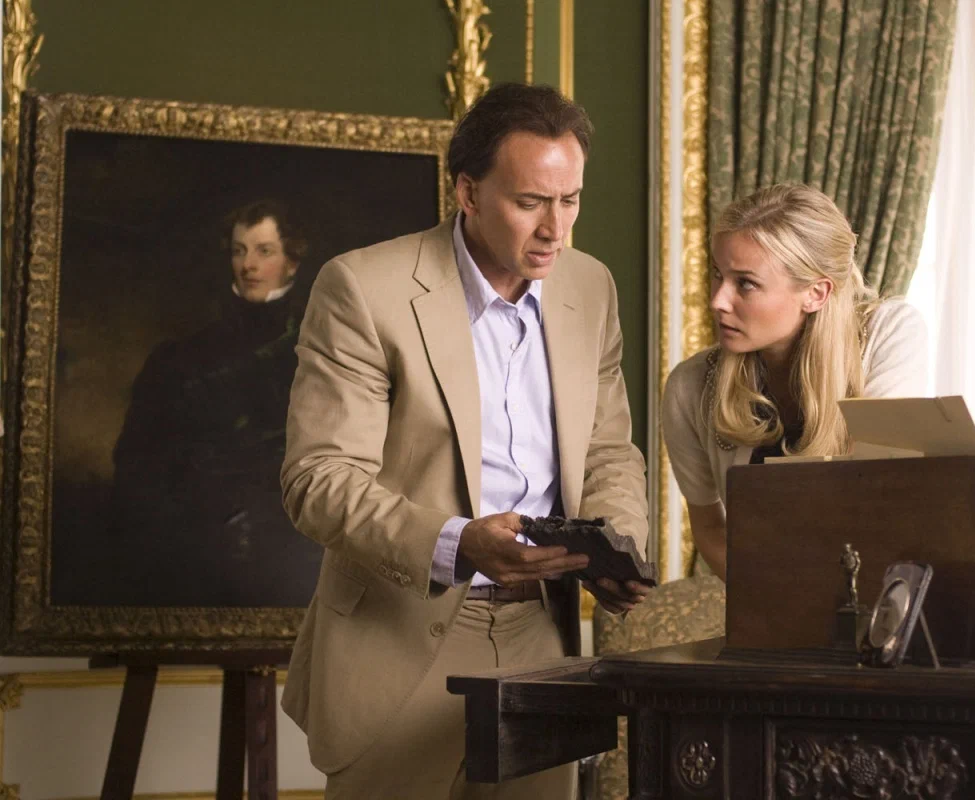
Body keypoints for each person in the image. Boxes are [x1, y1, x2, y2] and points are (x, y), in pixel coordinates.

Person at [279, 83, 651, 799]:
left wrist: (616, 547)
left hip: (542, 639)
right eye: (530, 202)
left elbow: (607, 450)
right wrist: (458, 545)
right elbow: (318, 480)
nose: (556, 229)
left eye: (570, 200)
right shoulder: (362, 288)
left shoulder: (591, 288)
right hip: (396, 641)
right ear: (468, 193)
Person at [662, 183, 928, 582]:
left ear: (816, 293)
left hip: (883, 591)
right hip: (773, 603)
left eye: (745, 283)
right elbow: (711, 529)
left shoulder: (888, 334)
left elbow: (877, 500)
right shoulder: (691, 386)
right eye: (718, 275)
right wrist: (780, 602)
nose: (718, 300)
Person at [109, 200, 320, 607]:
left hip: (290, 552)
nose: (249, 265)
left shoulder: (318, 352)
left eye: (264, 251)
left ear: (292, 263)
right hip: (196, 552)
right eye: (239, 251)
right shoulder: (180, 359)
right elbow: (139, 465)